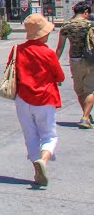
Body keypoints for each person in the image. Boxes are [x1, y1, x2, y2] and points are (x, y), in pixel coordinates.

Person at [14, 14, 65, 187]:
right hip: (45, 98)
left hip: (22, 98)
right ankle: (43, 160)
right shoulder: (48, 53)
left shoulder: (17, 50)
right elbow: (60, 75)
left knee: (30, 135)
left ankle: (36, 169)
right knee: (49, 135)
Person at [54, 2, 94, 130]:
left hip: (74, 60)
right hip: (90, 60)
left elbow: (60, 47)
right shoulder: (90, 25)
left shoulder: (67, 25)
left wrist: (54, 64)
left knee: (79, 89)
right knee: (91, 89)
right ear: (86, 12)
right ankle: (85, 117)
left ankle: (86, 115)